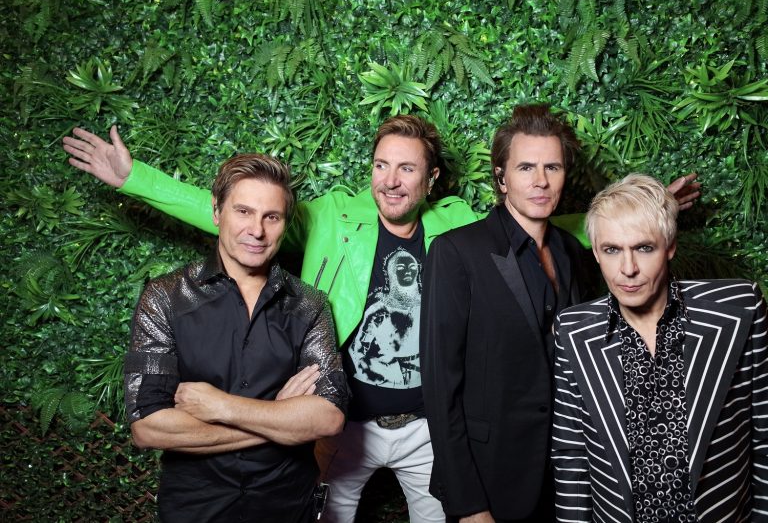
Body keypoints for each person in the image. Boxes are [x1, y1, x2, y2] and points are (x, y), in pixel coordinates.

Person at [64, 115, 699, 522]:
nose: (391, 182)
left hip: (428, 427)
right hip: (340, 424)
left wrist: (642, 213)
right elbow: (236, 214)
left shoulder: (458, 225)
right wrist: (136, 178)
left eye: (407, 169)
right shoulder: (330, 217)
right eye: (381, 166)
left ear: (432, 180)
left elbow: (541, 222)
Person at [124, 153, 348, 522]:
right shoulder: (165, 297)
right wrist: (278, 416)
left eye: (271, 217)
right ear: (217, 211)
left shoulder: (310, 305)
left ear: (285, 223)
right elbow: (148, 427)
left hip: (287, 507)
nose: (257, 230)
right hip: (195, 509)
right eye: (243, 211)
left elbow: (327, 419)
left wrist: (223, 406)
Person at [551, 174, 767, 522]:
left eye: (644, 248)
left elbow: (764, 438)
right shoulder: (573, 330)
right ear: (597, 253)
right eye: (612, 250)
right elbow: (572, 456)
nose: (628, 269)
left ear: (669, 247)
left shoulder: (740, 309)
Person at [420, 104, 594, 522]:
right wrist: (468, 505)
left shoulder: (573, 252)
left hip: (567, 476)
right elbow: (441, 389)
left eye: (552, 167)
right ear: (501, 177)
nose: (540, 181)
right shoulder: (456, 252)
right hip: (490, 478)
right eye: (526, 167)